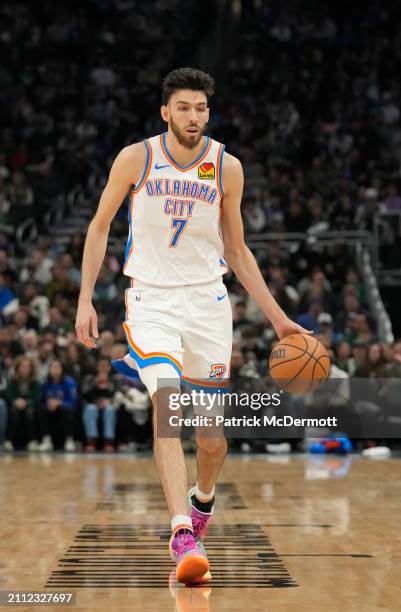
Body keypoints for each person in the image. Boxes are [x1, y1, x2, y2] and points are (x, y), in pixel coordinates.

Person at [75, 67, 310, 585]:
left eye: (201, 108)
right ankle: (182, 532)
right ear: (165, 111)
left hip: (207, 304)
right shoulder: (137, 158)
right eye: (183, 107)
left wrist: (281, 320)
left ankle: (200, 502)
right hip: (151, 301)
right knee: (167, 404)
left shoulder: (228, 167)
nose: (193, 116)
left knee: (210, 438)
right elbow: (98, 226)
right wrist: (85, 298)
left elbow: (238, 250)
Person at [39, 359, 78, 452]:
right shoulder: (45, 383)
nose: (55, 369)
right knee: (41, 410)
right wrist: (48, 404)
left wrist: (59, 403)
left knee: (66, 410)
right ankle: (46, 440)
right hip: (50, 410)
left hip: (65, 409)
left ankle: (69, 440)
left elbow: (73, 401)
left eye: (58, 367)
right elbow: (42, 400)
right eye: (53, 367)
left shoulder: (69, 382)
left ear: (62, 369)